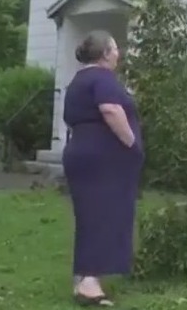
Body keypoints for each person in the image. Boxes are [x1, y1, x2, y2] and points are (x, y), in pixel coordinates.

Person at [61, 30, 143, 307]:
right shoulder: (102, 78)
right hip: (102, 158)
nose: (119, 53)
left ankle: (85, 276)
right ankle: (88, 283)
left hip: (82, 153)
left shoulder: (79, 80)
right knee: (104, 214)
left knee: (90, 215)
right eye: (115, 48)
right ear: (105, 53)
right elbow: (110, 110)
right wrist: (131, 142)